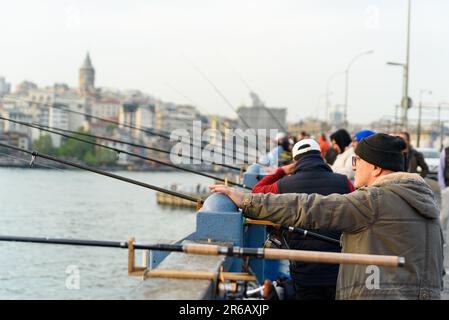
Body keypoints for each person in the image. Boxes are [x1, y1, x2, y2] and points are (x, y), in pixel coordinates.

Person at [210, 133, 444, 300]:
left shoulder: (373, 201)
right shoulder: (426, 203)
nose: (354, 167)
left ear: (375, 168)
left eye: (358, 161)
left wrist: (248, 200)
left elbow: (311, 207)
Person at [252, 138, 354, 300]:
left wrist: (281, 171)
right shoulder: (344, 182)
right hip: (338, 269)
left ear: (295, 161)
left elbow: (255, 194)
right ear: (320, 157)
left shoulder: (284, 185)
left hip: (304, 271)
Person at [438, 146, 449, 245]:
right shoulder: (445, 151)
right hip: (447, 188)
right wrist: (443, 187)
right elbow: (440, 169)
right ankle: (442, 239)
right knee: (444, 216)